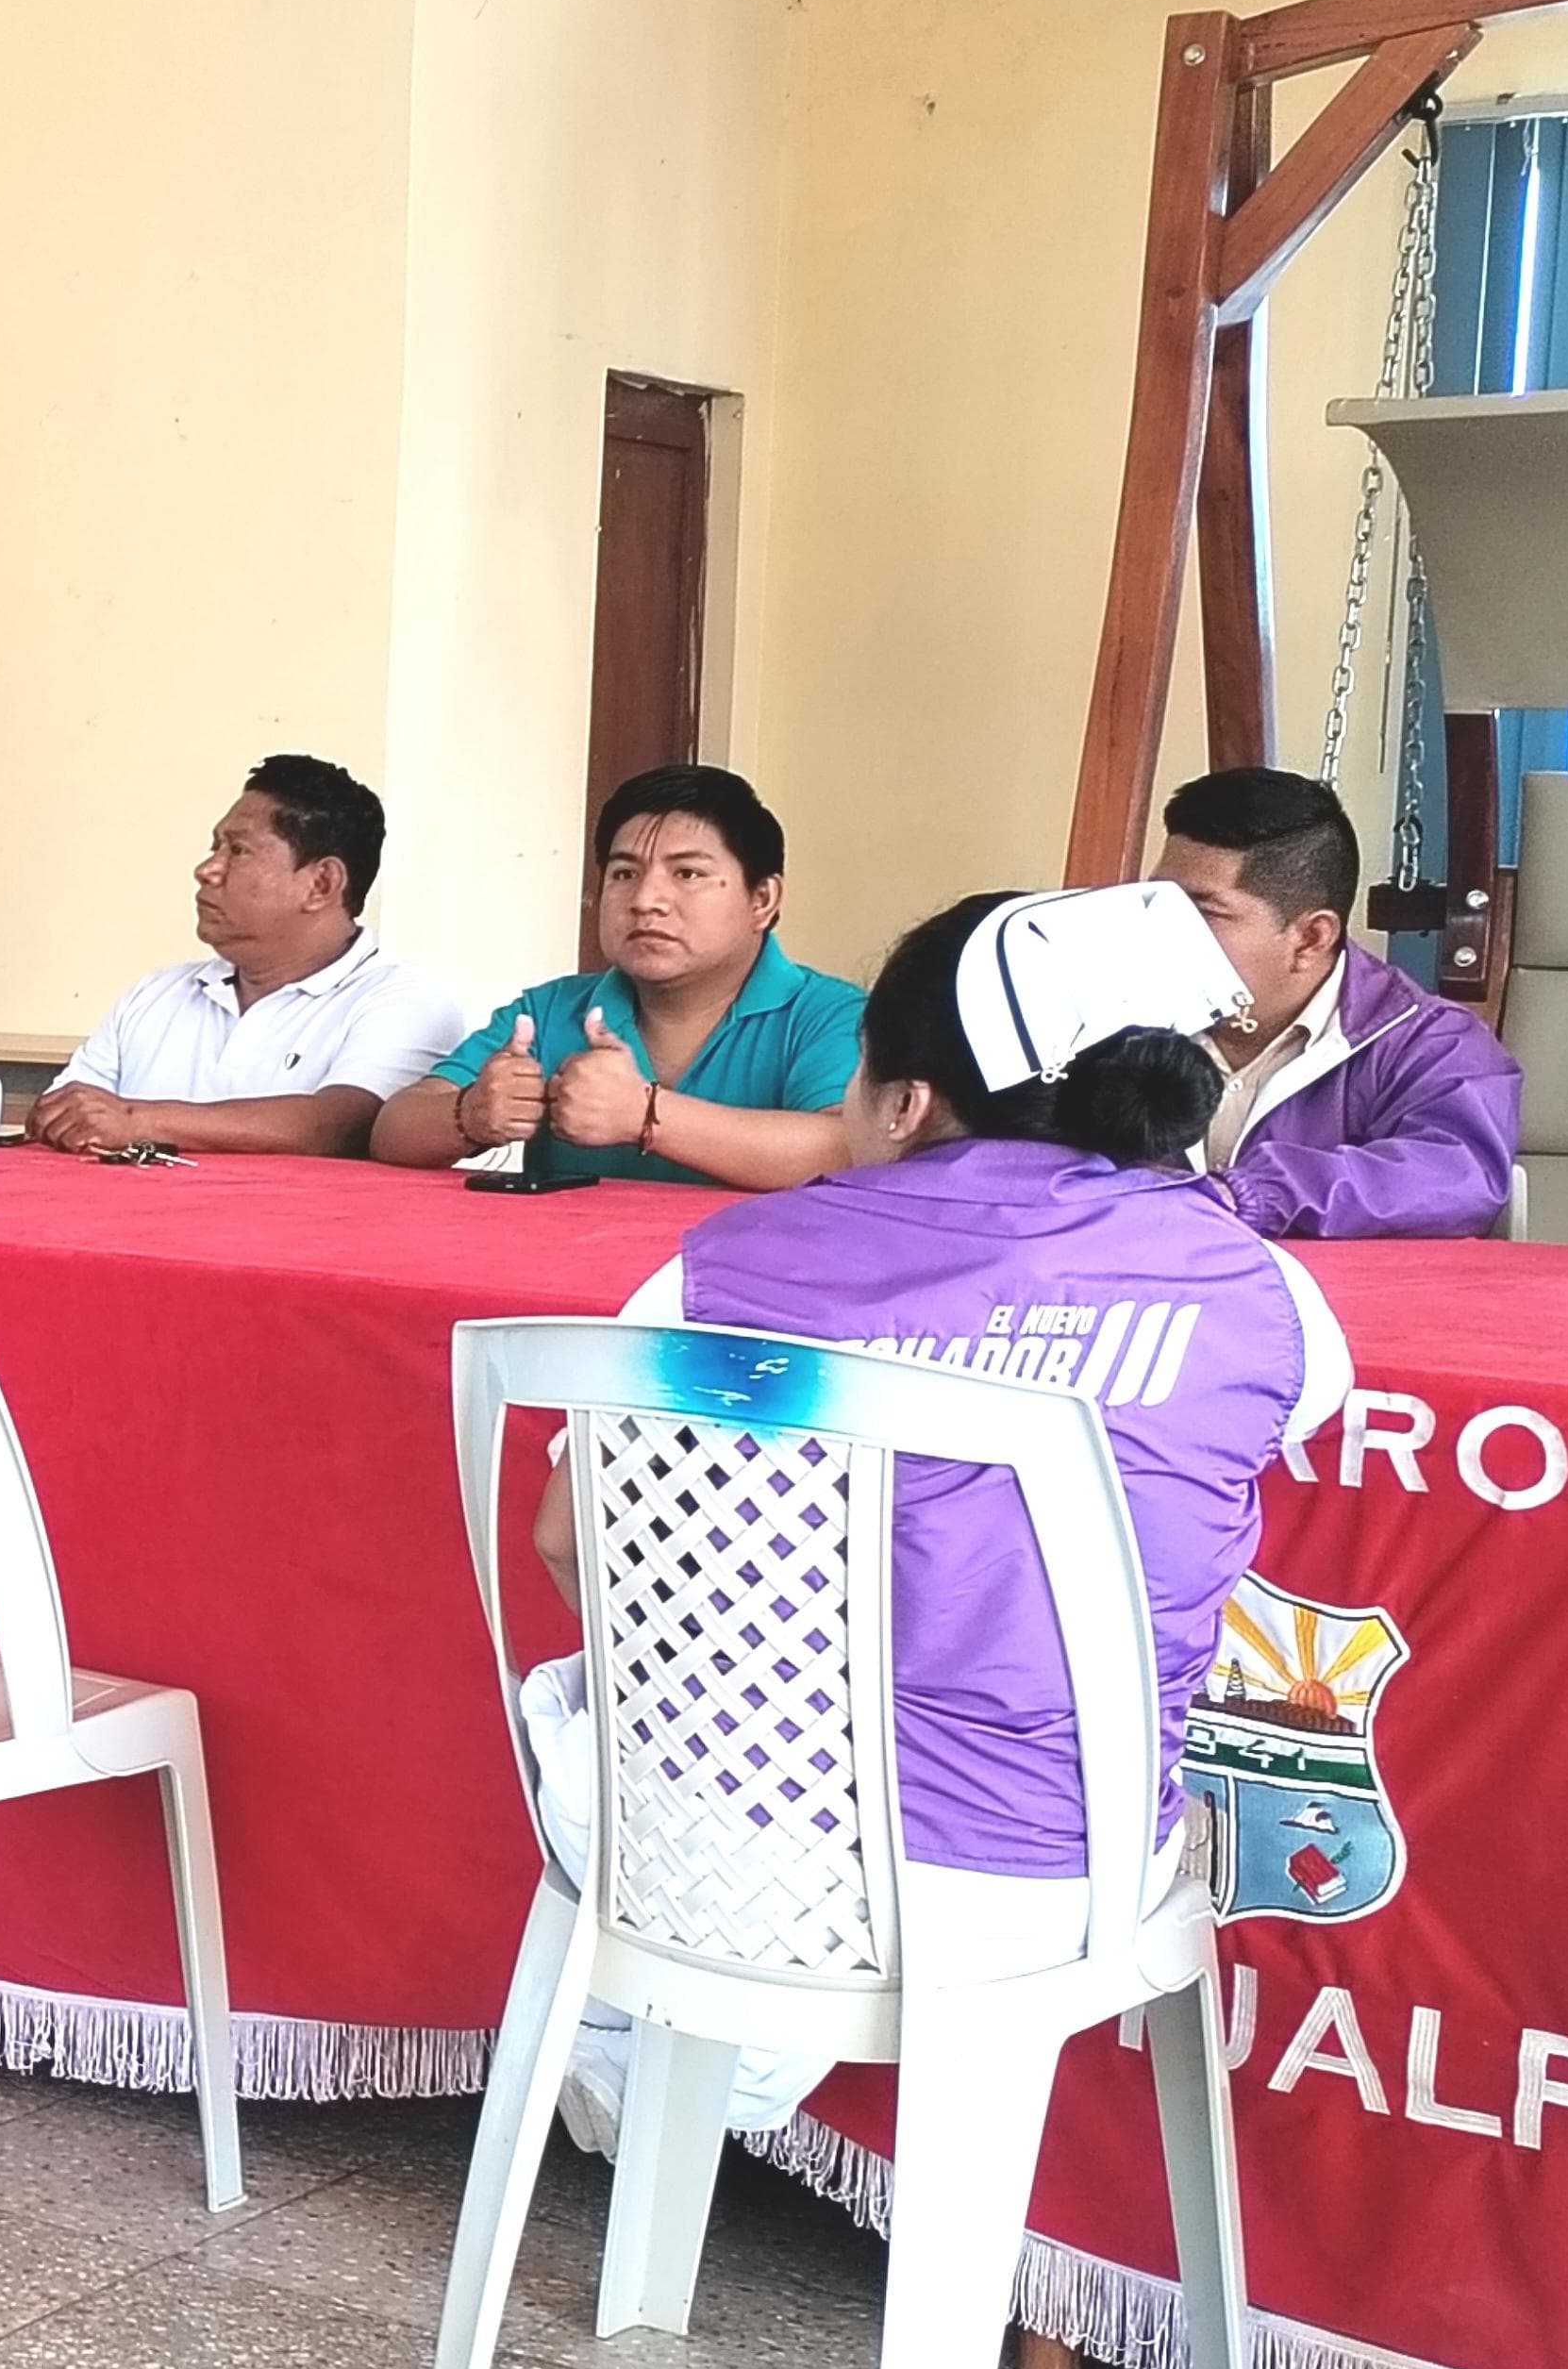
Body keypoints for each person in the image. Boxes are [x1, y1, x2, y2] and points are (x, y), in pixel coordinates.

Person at [526, 883, 1351, 2145]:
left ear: (904, 1101)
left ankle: (673, 2061)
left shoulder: (720, 1268)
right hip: (1054, 1873)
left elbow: (566, 1538)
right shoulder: (1266, 1291)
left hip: (728, 1865)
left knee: (598, 1702)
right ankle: (698, 2074)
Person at [372, 764, 863, 1190]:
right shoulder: (549, 1010)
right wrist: (471, 1113)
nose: (646, 900)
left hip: (742, 1270)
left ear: (762, 900)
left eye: (687, 874)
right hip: (568, 1269)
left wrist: (644, 1114)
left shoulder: (831, 1015)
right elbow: (393, 1131)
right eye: (625, 874)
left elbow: (848, 1149)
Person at [25, 755, 468, 1158]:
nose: (206, 870)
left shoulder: (405, 1000)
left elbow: (343, 1126)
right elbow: (65, 1116)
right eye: (214, 848)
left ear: (321, 884)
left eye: (237, 850)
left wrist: (135, 1121)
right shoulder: (155, 993)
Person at [1151, 766, 1521, 1238]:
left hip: (1322, 1289)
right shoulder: (1098, 1020)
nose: (1157, 932)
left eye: (1203, 912)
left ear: (1311, 938)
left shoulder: (1431, 1046)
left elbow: (1455, 1175)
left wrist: (1251, 1195)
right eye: (1155, 902)